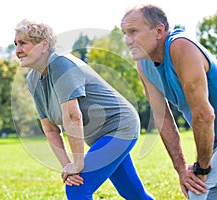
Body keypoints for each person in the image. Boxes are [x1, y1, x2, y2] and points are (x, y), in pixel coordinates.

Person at [14, 19, 154, 200]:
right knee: (134, 194)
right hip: (100, 138)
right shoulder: (33, 80)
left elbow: (73, 117)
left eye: (23, 43)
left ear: (44, 45)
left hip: (120, 128)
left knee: (78, 190)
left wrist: (78, 163)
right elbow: (50, 128)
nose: (17, 50)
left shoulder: (61, 64)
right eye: (16, 44)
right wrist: (68, 167)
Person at [121, 4, 217, 200]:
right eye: (124, 33)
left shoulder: (181, 47)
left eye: (133, 32)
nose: (127, 40)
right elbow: (163, 118)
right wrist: (182, 169)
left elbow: (204, 115)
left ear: (159, 31)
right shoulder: (143, 65)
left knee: (201, 193)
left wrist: (201, 169)